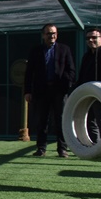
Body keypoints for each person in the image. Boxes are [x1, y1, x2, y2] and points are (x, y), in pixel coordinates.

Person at [23, 23, 76, 158]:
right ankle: (41, 148)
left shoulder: (64, 49)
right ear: (43, 35)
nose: (51, 36)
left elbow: (71, 69)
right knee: (42, 121)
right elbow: (29, 73)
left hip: (60, 91)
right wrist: (28, 91)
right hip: (41, 91)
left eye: (53, 33)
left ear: (56, 35)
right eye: (48, 33)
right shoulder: (36, 51)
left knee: (61, 120)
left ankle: (62, 149)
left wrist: (67, 84)